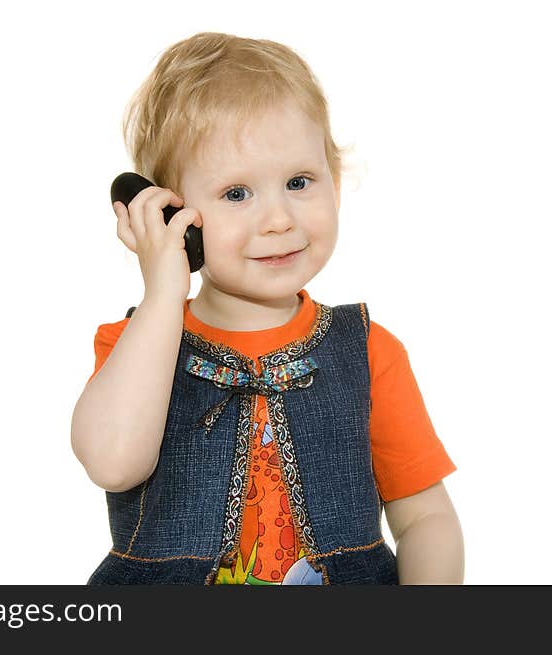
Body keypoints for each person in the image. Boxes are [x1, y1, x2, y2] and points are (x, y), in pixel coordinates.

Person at [71, 31, 464, 585]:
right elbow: (113, 462)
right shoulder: (132, 346)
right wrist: (163, 292)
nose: (279, 218)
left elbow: (425, 517)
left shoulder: (369, 350)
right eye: (237, 193)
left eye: (299, 181)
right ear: (171, 214)